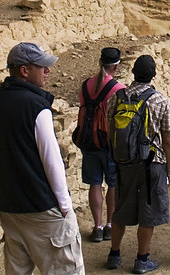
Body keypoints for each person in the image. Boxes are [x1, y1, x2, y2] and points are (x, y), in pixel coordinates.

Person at [0, 42, 84, 275]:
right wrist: (65, 207)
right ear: (24, 71)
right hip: (42, 207)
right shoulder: (36, 107)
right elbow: (51, 160)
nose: (47, 71)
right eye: (42, 67)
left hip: (9, 207)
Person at [104, 54, 170, 274]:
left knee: (121, 207)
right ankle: (142, 259)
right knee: (149, 210)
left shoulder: (117, 97)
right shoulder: (160, 100)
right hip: (152, 162)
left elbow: (109, 130)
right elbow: (168, 139)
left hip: (125, 161)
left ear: (133, 73)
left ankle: (114, 254)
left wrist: (119, 154)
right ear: (154, 75)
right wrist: (169, 169)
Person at [74, 47, 124, 243]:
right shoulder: (117, 88)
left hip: (88, 142)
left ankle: (97, 226)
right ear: (116, 66)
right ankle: (110, 225)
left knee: (94, 183)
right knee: (112, 184)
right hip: (107, 142)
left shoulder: (86, 85)